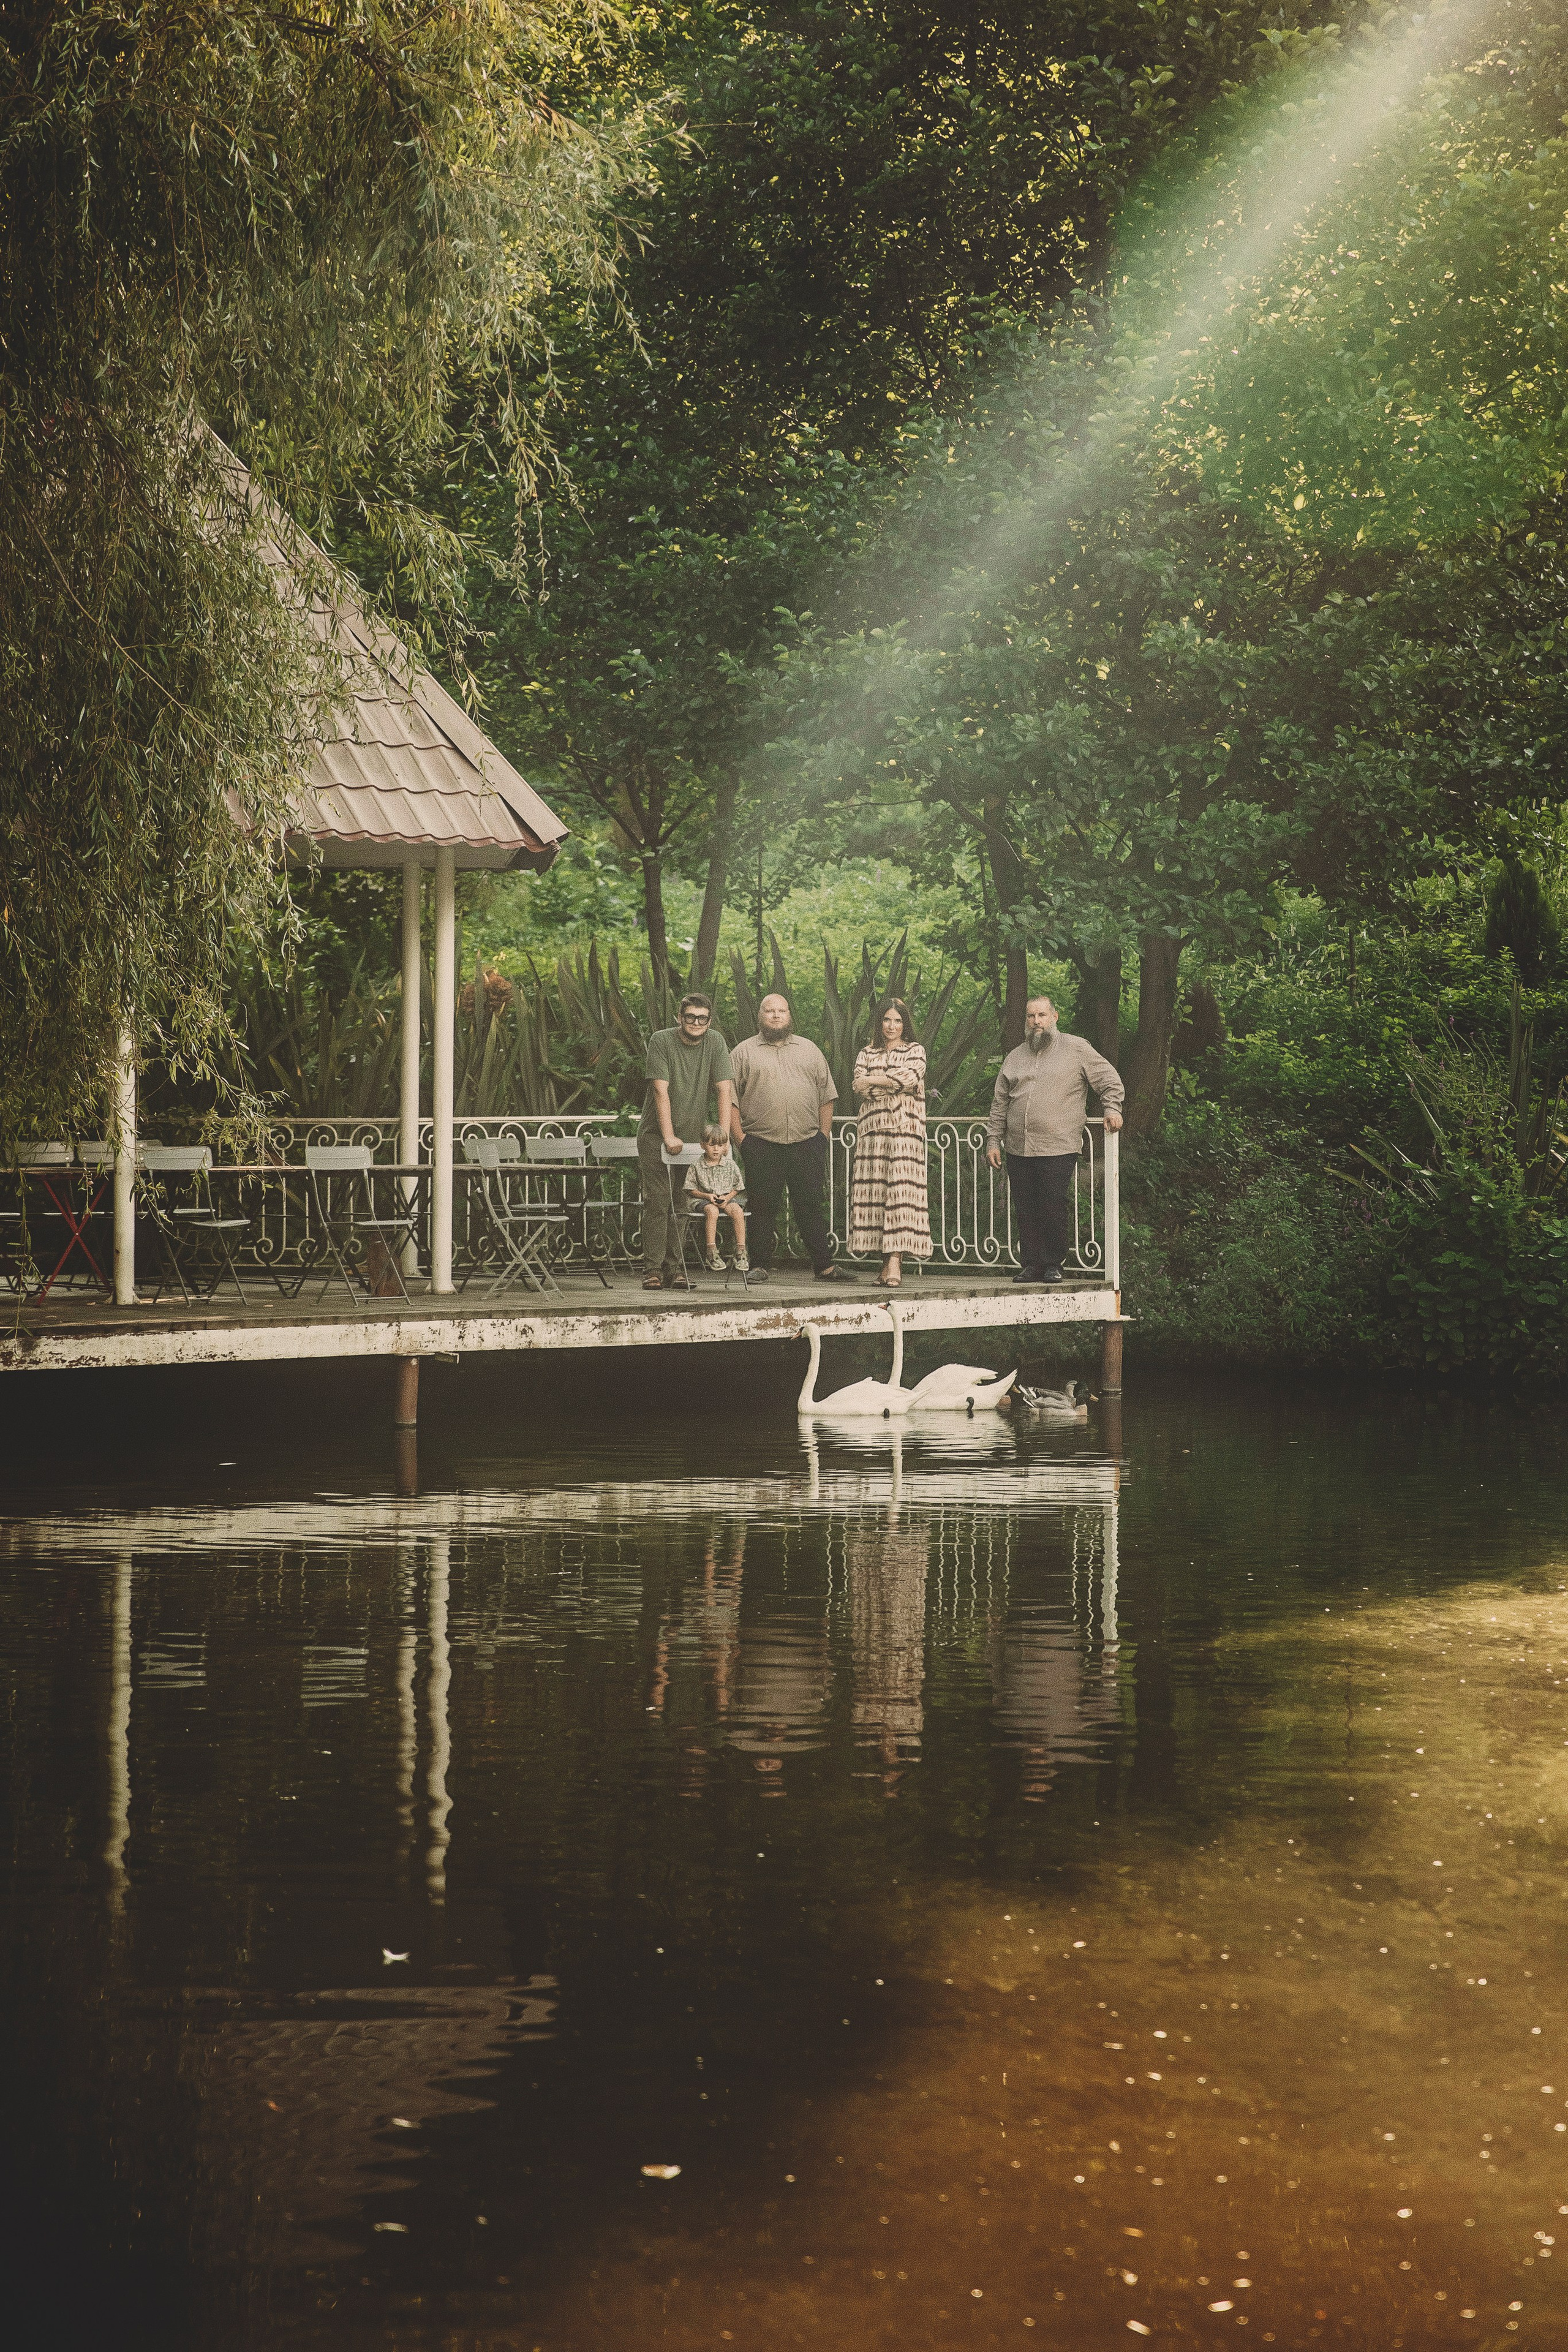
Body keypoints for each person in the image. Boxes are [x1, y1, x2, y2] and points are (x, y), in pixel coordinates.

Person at [985, 995, 1124, 1283]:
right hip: (1019, 1146)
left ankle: (1053, 1263)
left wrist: (1112, 1108)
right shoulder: (1015, 1057)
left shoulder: (1077, 1048)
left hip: (1058, 1144)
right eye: (1031, 1016)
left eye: (1042, 1015)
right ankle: (1032, 1264)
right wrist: (993, 1140)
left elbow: (1109, 1079)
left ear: (1055, 1017)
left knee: (1051, 1202)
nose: (1036, 1022)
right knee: (1025, 1204)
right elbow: (999, 1103)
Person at [728, 991, 851, 1283]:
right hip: (760, 1142)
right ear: (760, 1016)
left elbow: (827, 1096)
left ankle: (824, 1266)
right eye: (769, 1011)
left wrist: (822, 1136)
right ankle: (758, 1266)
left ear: (789, 1016)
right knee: (762, 1206)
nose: (775, 1015)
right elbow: (730, 1099)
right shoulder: (742, 1053)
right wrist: (740, 1140)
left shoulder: (810, 1050)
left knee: (810, 1205)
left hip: (806, 1142)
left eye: (781, 1011)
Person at [639, 993, 733, 1290]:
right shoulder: (662, 1040)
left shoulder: (715, 1042)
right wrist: (668, 1135)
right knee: (658, 1200)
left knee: (682, 1202)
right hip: (657, 1135)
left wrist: (724, 1137)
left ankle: (676, 1268)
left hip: (695, 1139)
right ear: (680, 1018)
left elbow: (723, 1090)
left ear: (709, 1020)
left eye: (702, 1018)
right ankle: (653, 1269)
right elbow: (659, 1090)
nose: (695, 1022)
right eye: (690, 1017)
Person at [848, 998, 932, 1288]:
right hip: (872, 1132)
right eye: (887, 1020)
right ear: (879, 1023)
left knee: (900, 1195)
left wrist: (876, 1080)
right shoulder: (866, 1052)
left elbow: (910, 1079)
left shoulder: (915, 1050)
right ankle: (884, 1263)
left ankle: (896, 1260)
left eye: (898, 1021)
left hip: (904, 1132)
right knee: (875, 1195)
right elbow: (860, 1087)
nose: (892, 1026)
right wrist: (888, 1083)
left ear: (905, 1024)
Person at [687, 1125, 749, 1274]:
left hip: (726, 1198)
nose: (716, 1149)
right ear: (703, 1145)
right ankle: (711, 1252)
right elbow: (690, 1189)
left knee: (738, 1211)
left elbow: (738, 1187)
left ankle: (741, 1252)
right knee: (712, 1210)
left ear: (725, 1146)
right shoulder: (697, 1165)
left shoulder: (730, 1165)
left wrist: (727, 1198)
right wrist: (707, 1196)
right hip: (702, 1199)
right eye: (712, 1145)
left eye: (720, 1145)